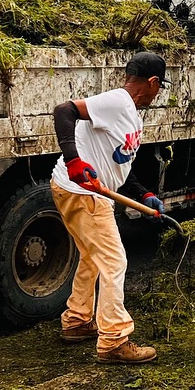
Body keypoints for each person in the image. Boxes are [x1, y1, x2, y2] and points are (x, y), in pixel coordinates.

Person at [50, 52, 170, 363]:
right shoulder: (118, 101)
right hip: (82, 193)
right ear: (153, 82)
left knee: (93, 257)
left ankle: (77, 320)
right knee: (114, 262)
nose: (157, 94)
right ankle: (115, 340)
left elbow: (117, 163)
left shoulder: (129, 112)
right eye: (159, 87)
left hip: (83, 192)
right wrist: (73, 160)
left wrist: (144, 195)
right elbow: (64, 110)